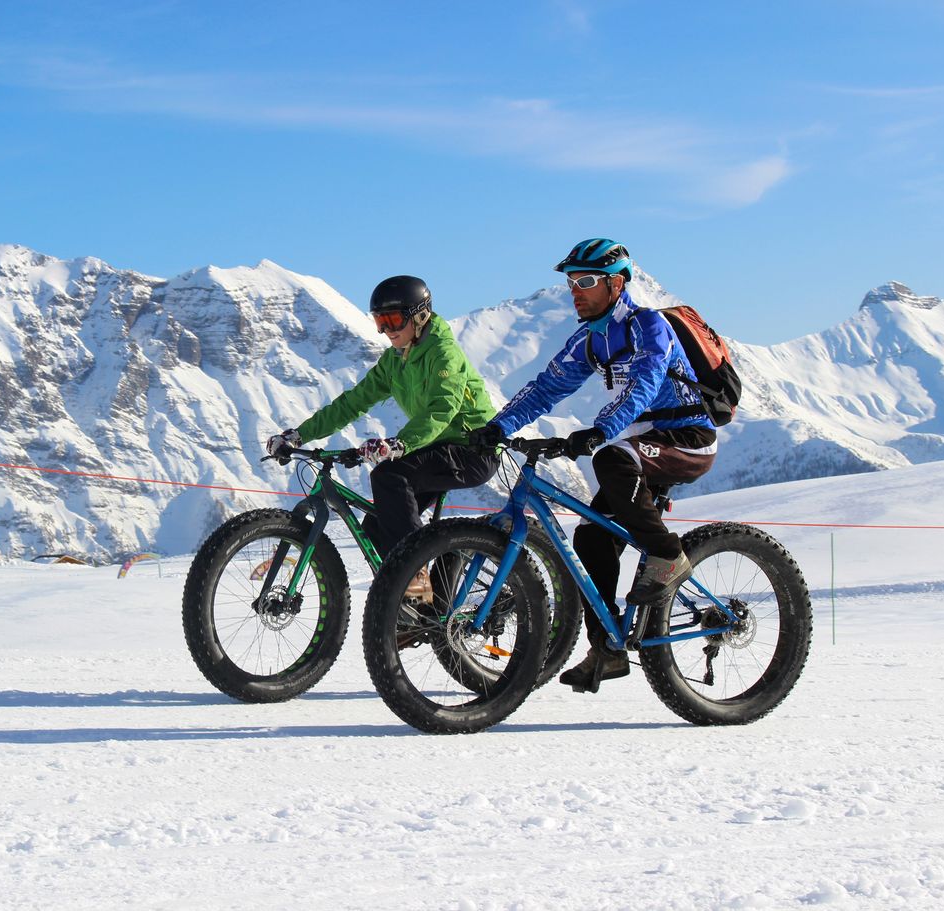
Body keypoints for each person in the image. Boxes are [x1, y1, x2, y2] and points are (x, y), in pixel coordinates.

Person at [468, 239, 717, 693]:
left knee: (611, 458)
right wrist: (497, 428)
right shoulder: (592, 338)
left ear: (616, 282)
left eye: (585, 281)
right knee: (591, 535)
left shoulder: (648, 326)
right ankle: (607, 648)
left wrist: (601, 429)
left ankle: (668, 556)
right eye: (570, 282)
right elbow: (546, 388)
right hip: (643, 444)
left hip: (687, 440)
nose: (575, 291)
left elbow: (643, 386)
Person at [266, 276, 499, 596]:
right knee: (377, 526)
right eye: (379, 321)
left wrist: (401, 444)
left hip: (472, 448)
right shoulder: (395, 360)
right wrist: (299, 434)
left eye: (392, 319)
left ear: (419, 315)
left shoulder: (443, 353)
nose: (386, 330)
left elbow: (442, 409)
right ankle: (414, 613)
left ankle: (415, 574)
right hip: (435, 447)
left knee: (389, 476)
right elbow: (352, 403)